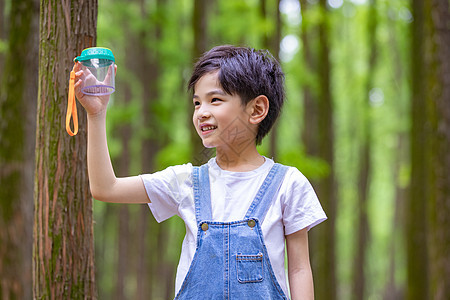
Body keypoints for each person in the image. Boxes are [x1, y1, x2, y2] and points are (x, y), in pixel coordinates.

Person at [74, 45, 327, 299]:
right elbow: (105, 188)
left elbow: (299, 269)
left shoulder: (288, 184)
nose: (201, 112)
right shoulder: (185, 182)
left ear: (257, 109)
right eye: (197, 103)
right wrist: (97, 114)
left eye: (215, 100)